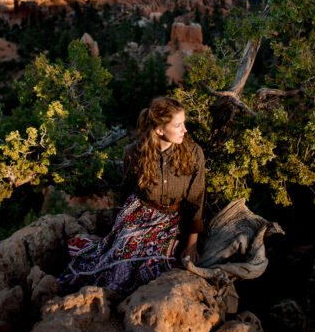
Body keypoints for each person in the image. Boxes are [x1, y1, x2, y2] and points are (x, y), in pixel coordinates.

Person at [57, 96, 206, 295]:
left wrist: (192, 244)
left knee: (152, 264)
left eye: (184, 123)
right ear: (160, 130)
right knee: (119, 253)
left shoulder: (194, 153)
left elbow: (196, 200)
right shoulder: (134, 153)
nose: (185, 130)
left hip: (172, 219)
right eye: (178, 125)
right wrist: (122, 225)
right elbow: (127, 191)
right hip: (139, 212)